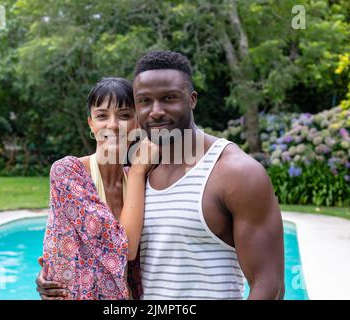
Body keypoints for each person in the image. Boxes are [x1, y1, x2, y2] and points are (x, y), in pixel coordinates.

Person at [37, 51, 285, 300]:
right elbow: (110, 253)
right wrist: (56, 274)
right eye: (144, 101)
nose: (156, 111)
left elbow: (269, 286)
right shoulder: (143, 174)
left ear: (192, 99)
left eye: (169, 98)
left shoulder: (236, 173)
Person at [38, 77, 158, 300]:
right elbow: (125, 248)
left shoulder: (140, 180)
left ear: (137, 125)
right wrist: (138, 170)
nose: (112, 125)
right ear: (91, 124)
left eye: (124, 115)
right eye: (102, 116)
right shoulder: (68, 172)